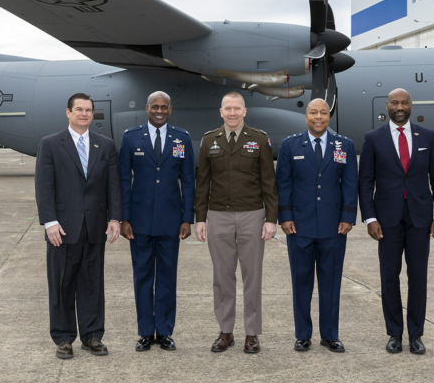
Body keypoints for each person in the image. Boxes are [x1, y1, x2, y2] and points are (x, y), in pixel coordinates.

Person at [358, 88, 434, 355]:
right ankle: (394, 333)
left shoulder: (427, 137)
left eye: (404, 102)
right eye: (395, 102)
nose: (400, 106)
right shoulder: (373, 138)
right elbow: (366, 182)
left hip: (421, 219)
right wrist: (370, 217)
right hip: (386, 220)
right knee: (389, 276)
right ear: (386, 106)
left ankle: (416, 334)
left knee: (418, 277)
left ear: (411, 106)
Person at [35, 93, 122, 360]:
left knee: (92, 284)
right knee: (61, 284)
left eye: (88, 110)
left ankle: (92, 336)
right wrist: (50, 222)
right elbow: (44, 185)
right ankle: (63, 338)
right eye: (79, 109)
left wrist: (115, 218)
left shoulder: (104, 145)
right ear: (68, 113)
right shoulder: (50, 144)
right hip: (62, 228)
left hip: (95, 226)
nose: (84, 114)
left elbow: (113, 185)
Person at [194, 91, 278, 354]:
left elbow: (269, 182)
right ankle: (225, 331)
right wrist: (200, 218)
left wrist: (271, 219)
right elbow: (202, 183)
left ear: (245, 111)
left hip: (252, 215)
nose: (232, 113)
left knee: (252, 277)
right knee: (222, 277)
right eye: (227, 108)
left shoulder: (259, 139)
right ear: (221, 112)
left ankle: (251, 334)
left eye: (237, 108)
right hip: (218, 216)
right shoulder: (209, 141)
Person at [275, 98, 357, 352]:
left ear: (329, 116)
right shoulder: (290, 145)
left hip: (334, 227)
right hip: (299, 226)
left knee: (331, 282)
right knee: (301, 282)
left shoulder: (344, 145)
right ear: (306, 116)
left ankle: (330, 334)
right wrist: (285, 216)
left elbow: (350, 184)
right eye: (313, 112)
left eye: (323, 112)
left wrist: (347, 216)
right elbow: (283, 183)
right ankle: (303, 334)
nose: (318, 117)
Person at [117, 91, 195, 352]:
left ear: (170, 110)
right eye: (155, 107)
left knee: (167, 277)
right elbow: (123, 181)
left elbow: (188, 181)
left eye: (164, 107)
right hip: (138, 222)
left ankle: (164, 331)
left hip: (171, 221)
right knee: (142, 277)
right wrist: (124, 217)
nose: (159, 111)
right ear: (147, 108)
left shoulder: (181, 138)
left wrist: (187, 218)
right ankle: (144, 333)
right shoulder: (130, 138)